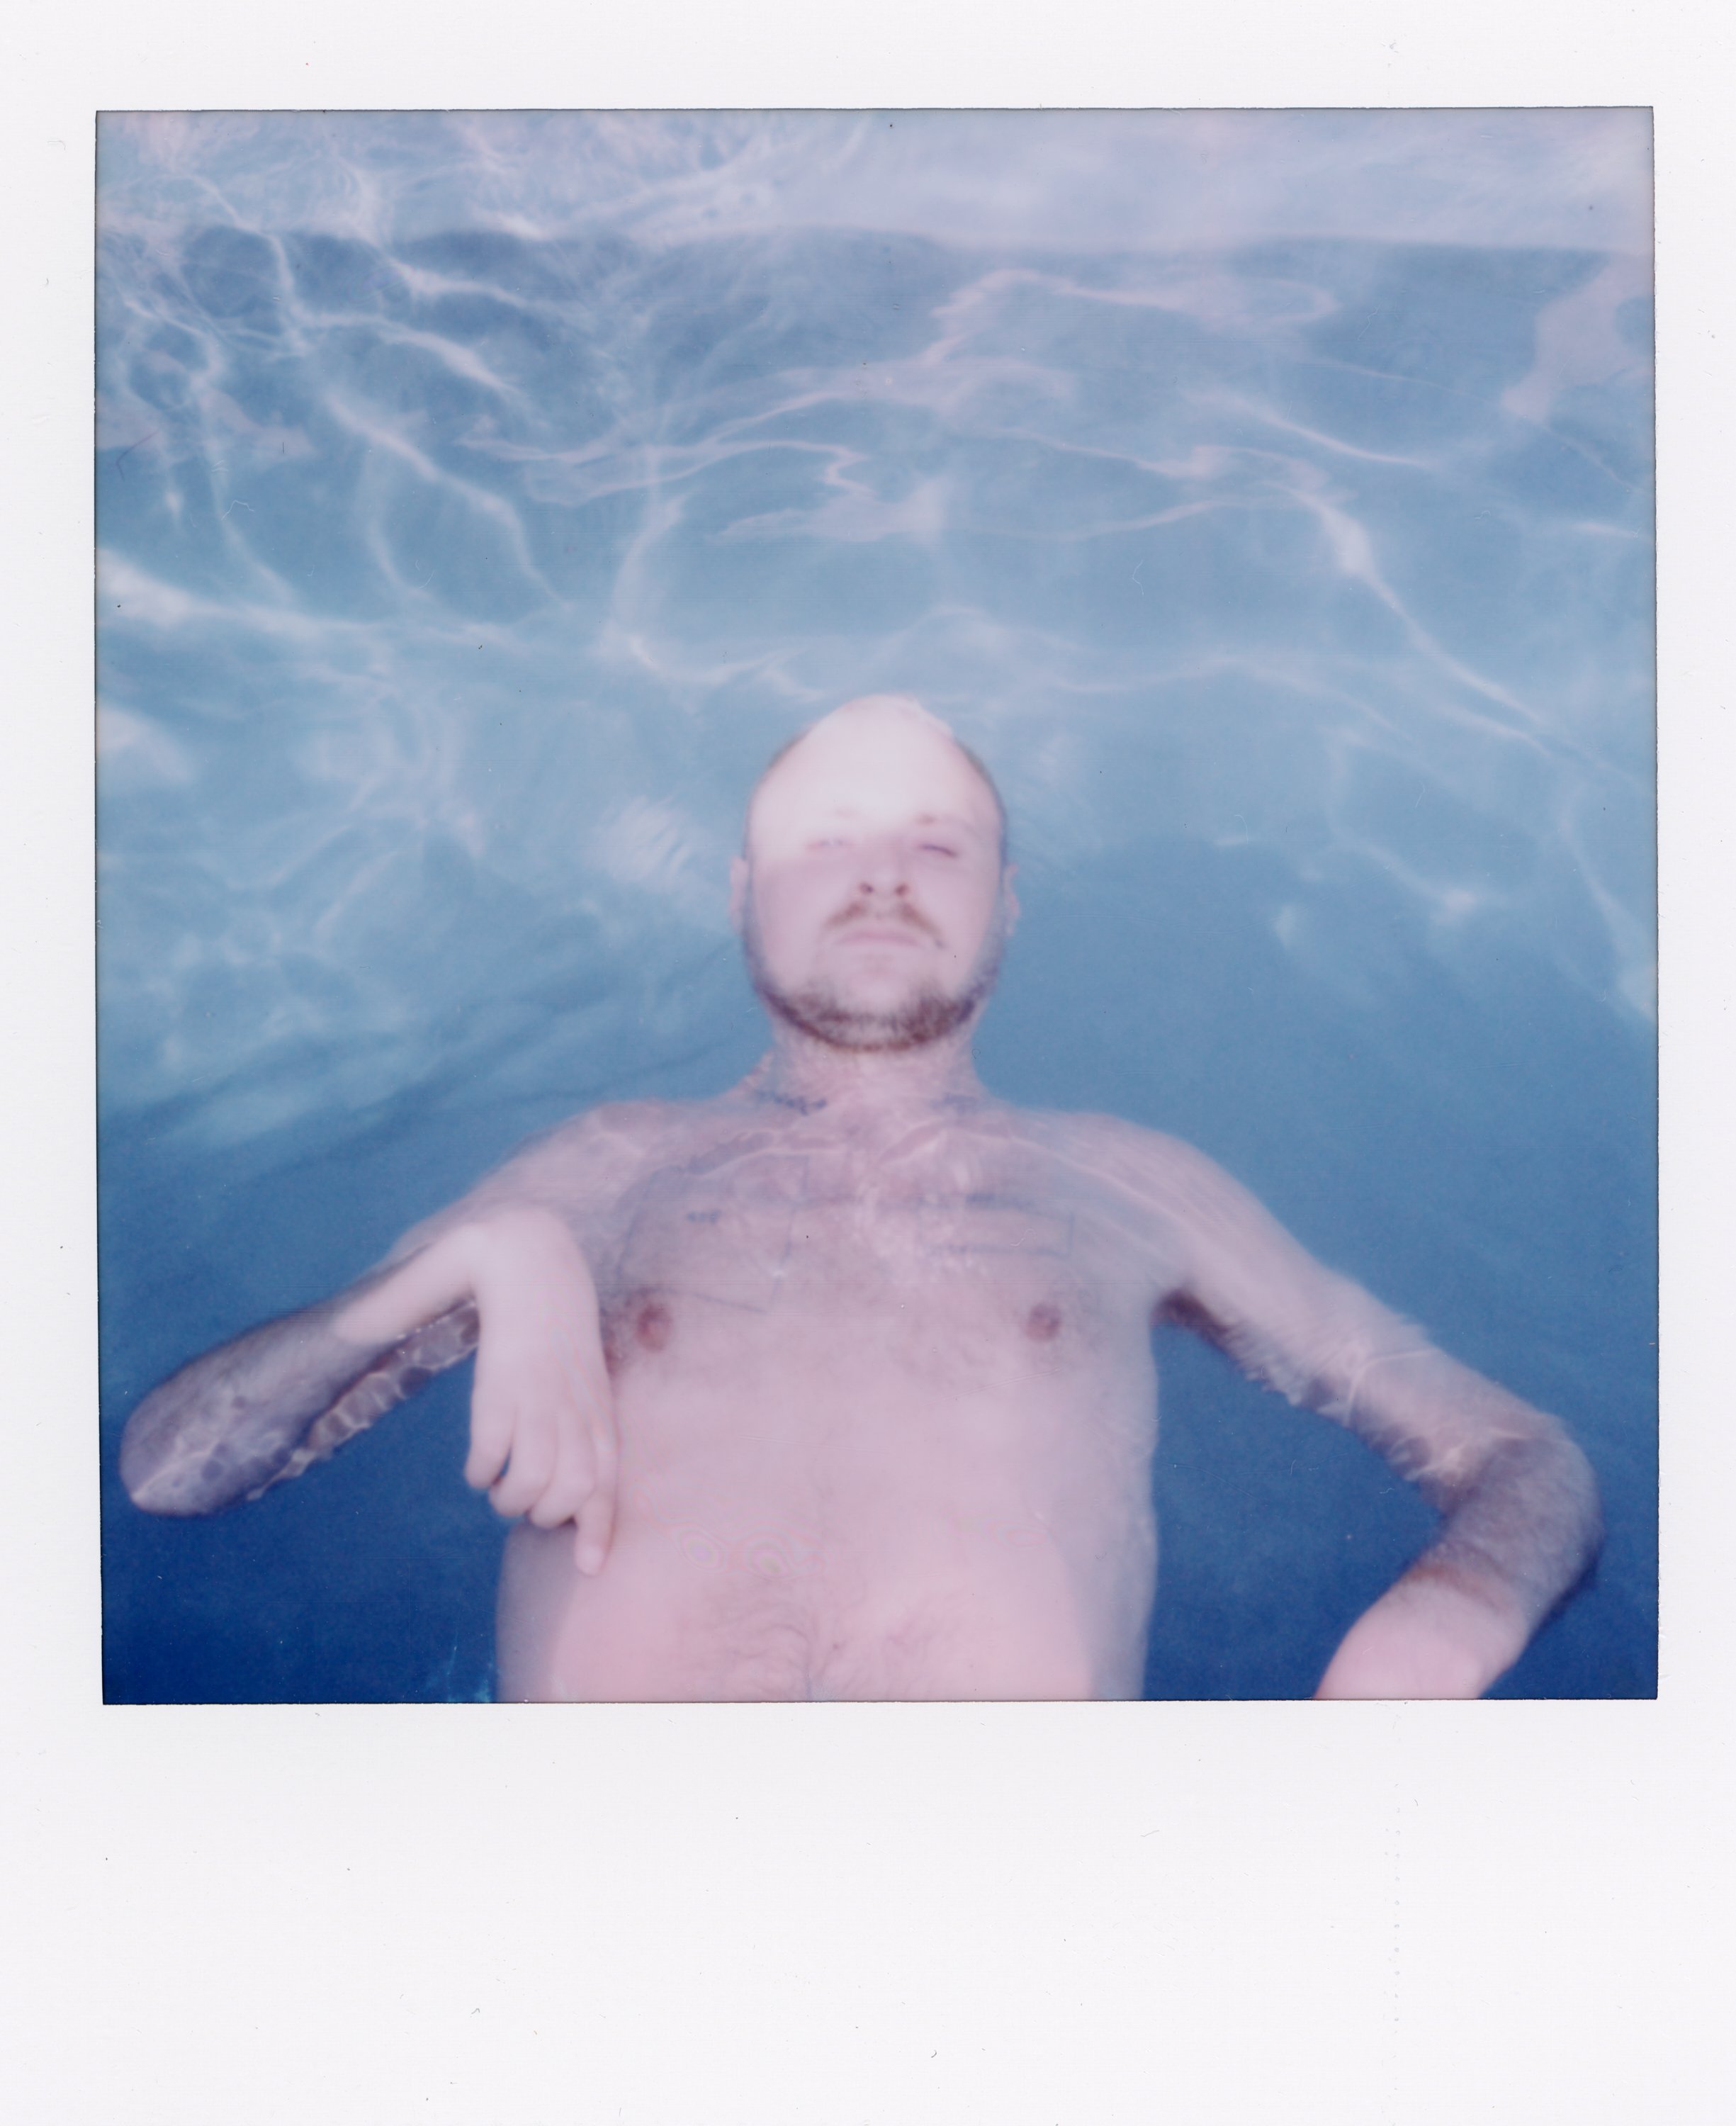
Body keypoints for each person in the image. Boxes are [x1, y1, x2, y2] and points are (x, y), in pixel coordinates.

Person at [120, 694, 1601, 1701]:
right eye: (825, 843)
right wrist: (469, 1263)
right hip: (602, 1896)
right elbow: (171, 1473)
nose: (882, 879)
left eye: (935, 847)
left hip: (1011, 1906)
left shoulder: (1129, 1188)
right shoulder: (600, 1174)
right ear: (740, 895)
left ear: (1004, 906)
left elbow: (1520, 1458)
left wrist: (1440, 1625)